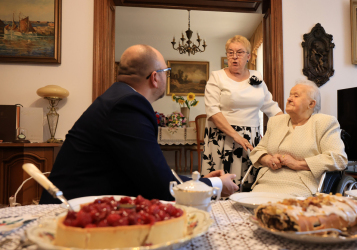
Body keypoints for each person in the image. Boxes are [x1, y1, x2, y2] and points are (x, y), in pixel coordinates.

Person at [40, 45, 238, 204]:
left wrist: (197, 182)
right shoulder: (128, 106)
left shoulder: (119, 97)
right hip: (69, 210)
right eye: (166, 71)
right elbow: (161, 186)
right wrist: (215, 184)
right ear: (155, 77)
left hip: (87, 201)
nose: (167, 76)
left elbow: (148, 170)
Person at [202, 35, 283, 186]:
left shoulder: (256, 76)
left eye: (239, 52)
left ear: (248, 56)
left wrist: (289, 125)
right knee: (223, 184)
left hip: (251, 138)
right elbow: (213, 112)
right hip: (223, 137)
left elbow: (270, 106)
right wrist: (236, 136)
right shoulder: (217, 77)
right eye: (230, 52)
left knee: (249, 182)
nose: (234, 57)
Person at [249, 80, 348, 197]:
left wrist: (298, 164)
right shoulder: (275, 122)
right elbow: (258, 151)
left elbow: (339, 158)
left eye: (296, 96)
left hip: (300, 185)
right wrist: (268, 159)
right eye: (290, 95)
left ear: (311, 104)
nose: (289, 99)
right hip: (265, 182)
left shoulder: (324, 123)